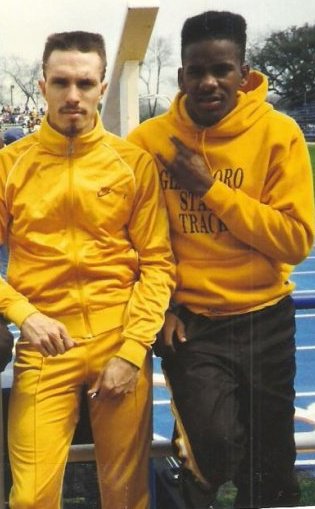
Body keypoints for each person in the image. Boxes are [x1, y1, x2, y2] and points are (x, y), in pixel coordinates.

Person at [128, 10, 315, 509]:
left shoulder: (280, 134)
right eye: (197, 70)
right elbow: (128, 241)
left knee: (271, 467)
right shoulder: (148, 144)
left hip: (266, 320)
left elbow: (295, 240)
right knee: (212, 444)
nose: (209, 82)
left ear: (243, 71)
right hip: (192, 322)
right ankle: (190, 476)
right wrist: (161, 308)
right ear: (181, 74)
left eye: (222, 69)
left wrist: (210, 190)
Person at [0, 31, 175, 509]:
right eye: (61, 82)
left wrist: (133, 348)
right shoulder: (10, 165)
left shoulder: (131, 163)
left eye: (84, 82)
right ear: (42, 86)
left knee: (126, 496)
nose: (72, 96)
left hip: (118, 341)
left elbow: (158, 264)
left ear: (101, 87)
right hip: (43, 347)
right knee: (31, 497)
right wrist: (24, 314)